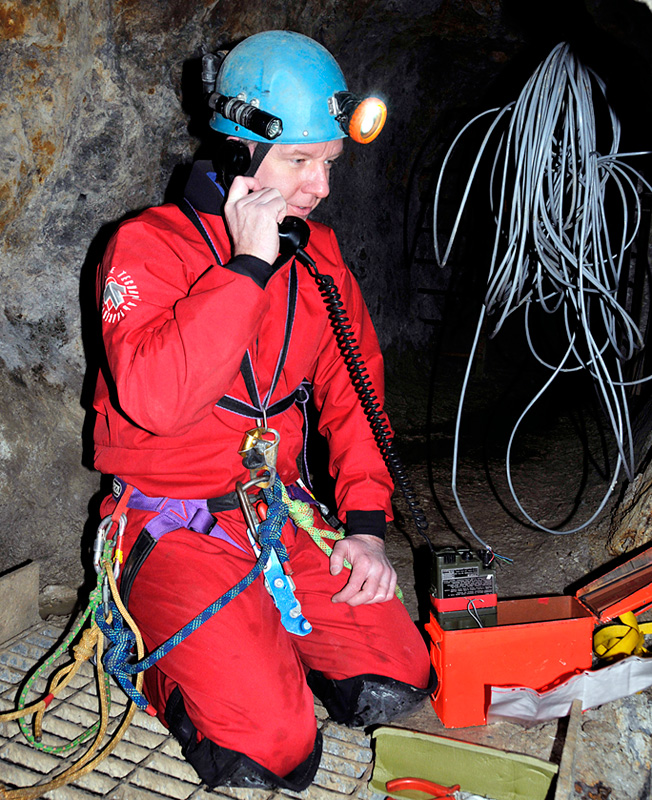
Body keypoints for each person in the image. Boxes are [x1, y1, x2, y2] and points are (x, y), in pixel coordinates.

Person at [93, 29, 432, 791]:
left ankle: (262, 635)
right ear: (239, 151)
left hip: (277, 509)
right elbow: (156, 402)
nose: (321, 186)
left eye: (330, 163)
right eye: (300, 161)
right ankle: (170, 651)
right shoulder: (147, 247)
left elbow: (356, 400)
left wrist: (366, 530)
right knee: (270, 750)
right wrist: (247, 265)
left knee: (396, 678)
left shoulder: (318, 256)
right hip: (176, 523)